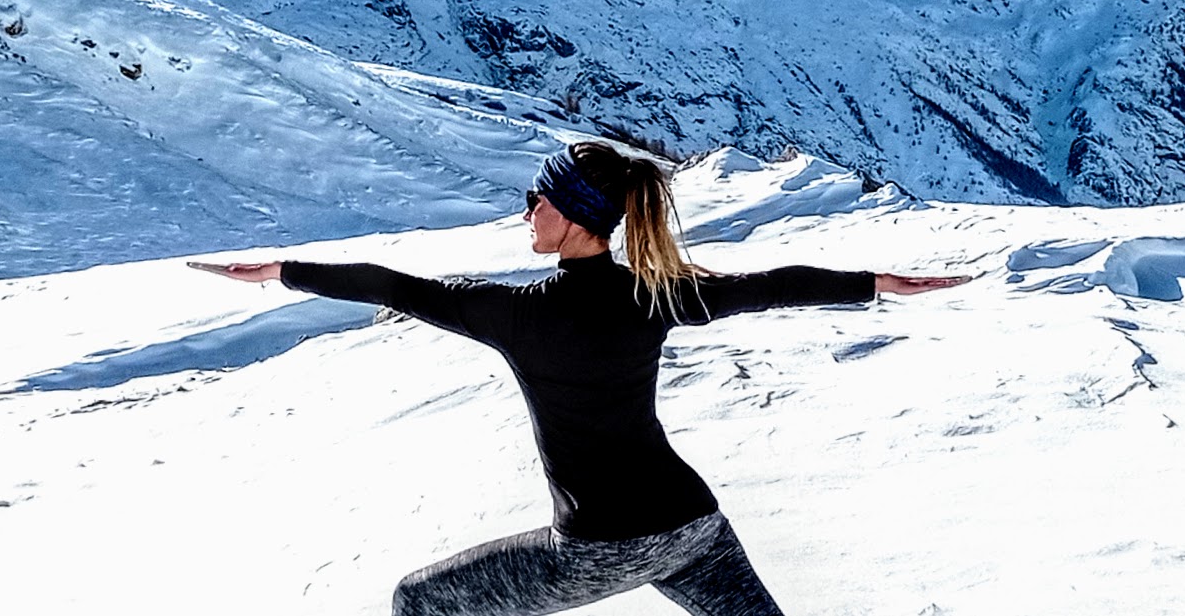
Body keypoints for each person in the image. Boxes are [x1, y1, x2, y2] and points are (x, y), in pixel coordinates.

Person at [193, 139, 971, 616]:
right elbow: (768, 283)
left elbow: (396, 286)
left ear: (570, 213)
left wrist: (281, 270)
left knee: (419, 602)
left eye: (536, 197)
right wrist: (875, 282)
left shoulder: (516, 313)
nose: (526, 209)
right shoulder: (657, 295)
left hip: (599, 546)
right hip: (696, 528)